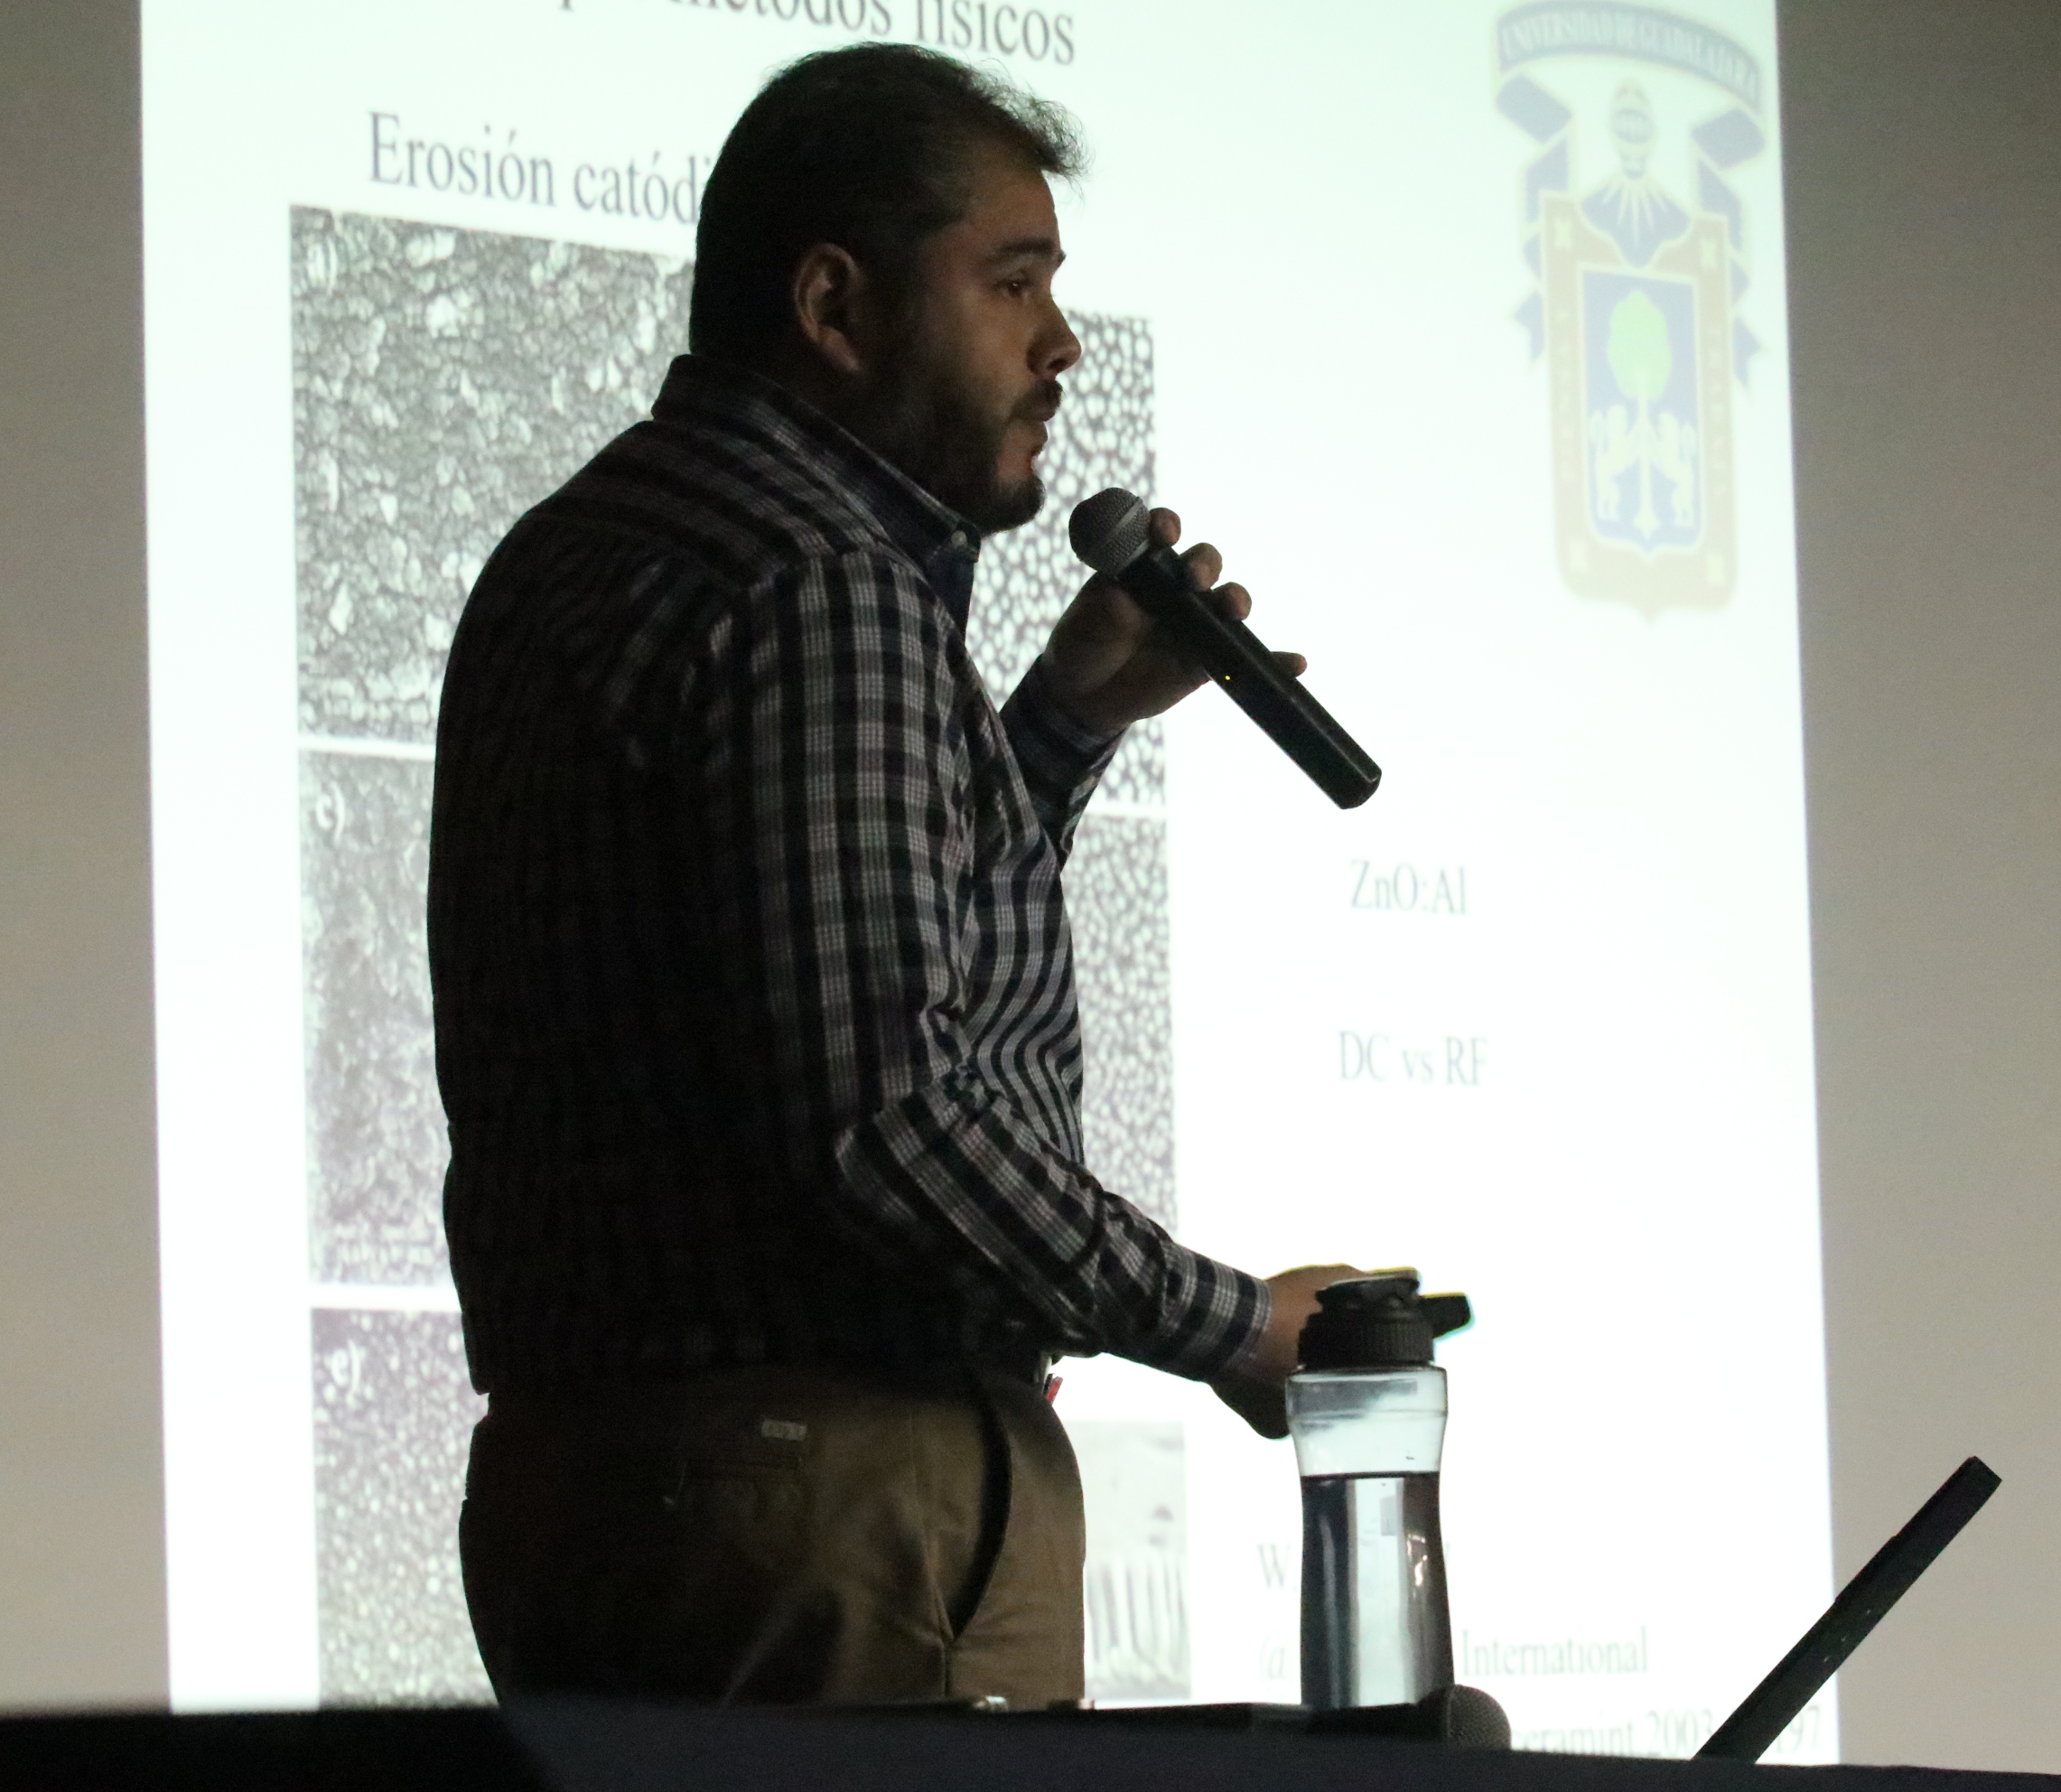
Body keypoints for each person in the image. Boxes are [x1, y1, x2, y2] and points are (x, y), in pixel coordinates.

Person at [430, 43, 1376, 1709]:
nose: (1059, 344)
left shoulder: (578, 547)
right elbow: (883, 1116)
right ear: (834, 307)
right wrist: (1235, 1330)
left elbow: (781, 954)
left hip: (608, 1485)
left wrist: (1064, 725)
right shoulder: (821, 583)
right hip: (831, 1495)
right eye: (1013, 283)